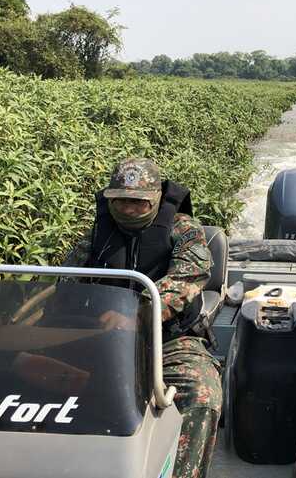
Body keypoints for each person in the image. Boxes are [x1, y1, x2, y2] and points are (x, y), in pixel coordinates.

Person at [62, 157, 221, 478]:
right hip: (103, 338)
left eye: (138, 202)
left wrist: (138, 313)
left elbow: (188, 278)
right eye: (121, 201)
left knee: (202, 393)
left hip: (171, 340)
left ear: (156, 199)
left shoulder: (184, 231)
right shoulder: (97, 236)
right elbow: (67, 283)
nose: (129, 209)